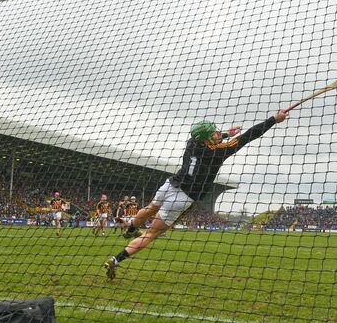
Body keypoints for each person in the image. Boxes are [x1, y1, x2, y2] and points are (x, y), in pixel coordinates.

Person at [103, 110, 289, 279]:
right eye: (214, 132)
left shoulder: (192, 142)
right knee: (151, 234)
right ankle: (116, 260)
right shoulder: (217, 152)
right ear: (208, 139)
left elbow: (214, 138)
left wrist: (226, 134)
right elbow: (248, 136)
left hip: (170, 185)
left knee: (151, 208)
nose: (217, 133)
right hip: (183, 197)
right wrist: (274, 119)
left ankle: (130, 228)